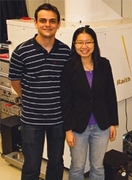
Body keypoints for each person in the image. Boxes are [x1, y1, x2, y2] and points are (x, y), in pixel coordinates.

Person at [8, 3, 70, 180]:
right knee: (31, 165)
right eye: (43, 20)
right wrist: (31, 100)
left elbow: (68, 84)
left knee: (56, 162)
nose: (47, 25)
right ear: (35, 23)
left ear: (58, 24)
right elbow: (15, 82)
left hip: (58, 119)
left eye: (52, 21)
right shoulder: (21, 51)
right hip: (31, 120)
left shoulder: (65, 52)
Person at [60, 26, 119, 180]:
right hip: (78, 127)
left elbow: (110, 95)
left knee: (98, 166)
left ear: (94, 43)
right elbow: (65, 101)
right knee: (77, 167)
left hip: (101, 125)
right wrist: (68, 129)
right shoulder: (69, 68)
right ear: (74, 44)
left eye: (88, 42)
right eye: (80, 43)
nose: (84, 47)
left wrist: (112, 122)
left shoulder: (104, 65)